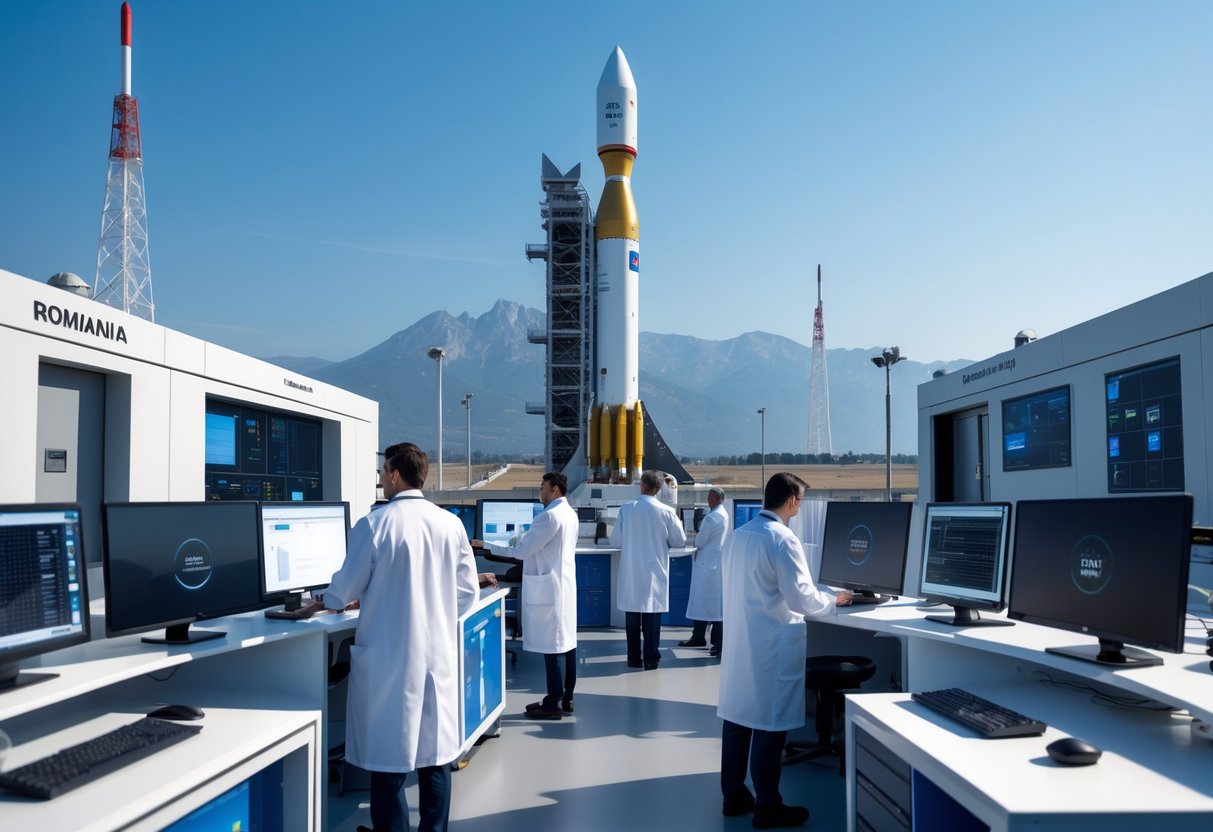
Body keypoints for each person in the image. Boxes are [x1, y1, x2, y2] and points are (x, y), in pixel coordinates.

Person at [322, 444, 479, 832]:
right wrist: (433, 616)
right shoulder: (450, 523)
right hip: (437, 655)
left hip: (392, 658)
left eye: (382, 471)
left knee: (389, 762)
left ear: (394, 474)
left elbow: (341, 593)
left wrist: (323, 600)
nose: (380, 478)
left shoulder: (375, 524)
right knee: (435, 757)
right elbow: (468, 593)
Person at [717, 472, 853, 829]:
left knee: (737, 721)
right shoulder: (783, 539)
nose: (801, 507)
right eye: (802, 501)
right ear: (792, 501)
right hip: (770, 645)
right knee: (769, 725)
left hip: (742, 641)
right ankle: (768, 806)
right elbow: (801, 598)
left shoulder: (739, 536)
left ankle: (733, 796)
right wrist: (833, 600)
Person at [471, 471, 579, 719]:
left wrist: (485, 545)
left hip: (550, 588)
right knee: (567, 642)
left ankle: (552, 704)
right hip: (561, 585)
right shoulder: (569, 513)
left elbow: (521, 552)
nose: (540, 492)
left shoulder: (548, 516)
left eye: (542, 487)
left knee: (553, 646)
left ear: (554, 490)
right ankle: (567, 697)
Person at [610, 469, 688, 669]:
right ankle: (651, 659)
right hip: (655, 571)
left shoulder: (627, 509)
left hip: (631, 571)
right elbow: (679, 541)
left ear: (643, 485)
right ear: (659, 489)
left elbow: (615, 540)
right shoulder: (667, 512)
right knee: (652, 618)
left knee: (633, 617)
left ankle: (633, 658)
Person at [680, 486, 727, 656]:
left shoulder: (711, 518)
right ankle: (704, 637)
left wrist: (696, 536)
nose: (708, 501)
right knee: (712, 603)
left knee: (705, 603)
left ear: (715, 499)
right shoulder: (724, 514)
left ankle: (709, 639)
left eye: (710, 498)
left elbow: (700, 542)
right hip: (715, 564)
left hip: (706, 565)